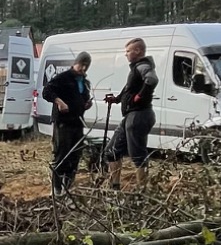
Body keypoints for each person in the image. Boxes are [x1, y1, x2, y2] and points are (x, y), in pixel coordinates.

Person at [103, 37, 158, 188]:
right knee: (111, 151)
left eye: (128, 51)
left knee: (137, 155)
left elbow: (152, 79)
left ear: (138, 51)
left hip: (139, 115)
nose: (126, 54)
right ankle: (115, 188)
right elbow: (129, 88)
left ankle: (143, 192)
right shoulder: (135, 69)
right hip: (131, 116)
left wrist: (140, 96)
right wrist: (117, 99)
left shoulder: (143, 65)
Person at [42, 51, 93, 193]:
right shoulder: (63, 78)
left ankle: (68, 187)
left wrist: (86, 104)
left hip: (77, 122)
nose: (83, 69)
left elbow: (83, 98)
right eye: (81, 65)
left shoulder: (84, 82)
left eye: (86, 66)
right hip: (63, 123)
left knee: (75, 155)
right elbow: (47, 91)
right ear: (76, 63)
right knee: (62, 155)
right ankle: (56, 189)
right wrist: (59, 102)